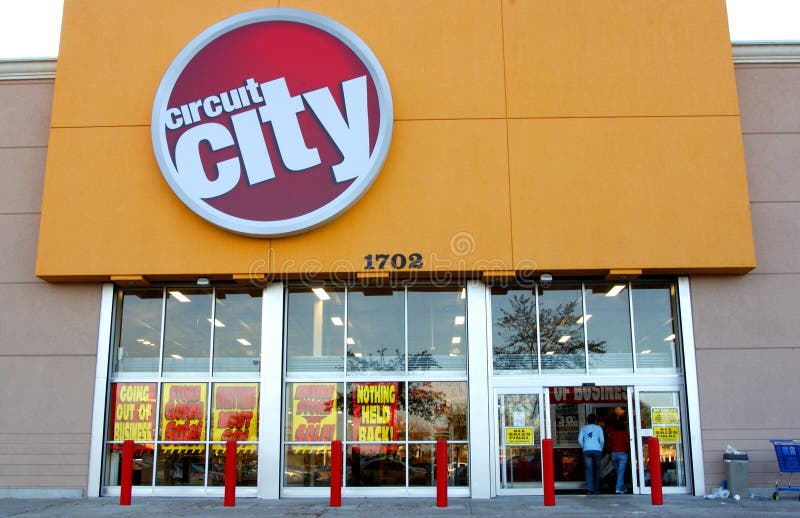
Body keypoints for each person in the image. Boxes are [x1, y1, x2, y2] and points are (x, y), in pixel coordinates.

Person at [578, 413, 604, 495]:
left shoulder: (584, 428)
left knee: (589, 470)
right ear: (595, 420)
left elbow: (579, 440)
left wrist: (584, 447)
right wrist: (600, 448)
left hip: (587, 451)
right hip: (597, 450)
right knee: (597, 470)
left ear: (587, 420)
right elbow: (602, 440)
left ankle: (590, 489)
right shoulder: (599, 428)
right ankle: (596, 489)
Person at [609, 418, 631, 494]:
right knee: (621, 472)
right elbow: (628, 444)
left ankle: (623, 488)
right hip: (622, 454)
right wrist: (627, 451)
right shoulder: (624, 433)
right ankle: (618, 488)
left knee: (619, 472)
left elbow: (609, 444)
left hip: (614, 454)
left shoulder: (612, 434)